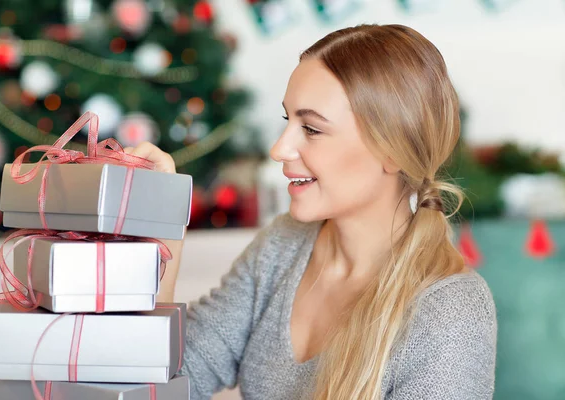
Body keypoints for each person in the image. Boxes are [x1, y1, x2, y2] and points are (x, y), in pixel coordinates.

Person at [126, 24, 497, 400]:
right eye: (289, 122)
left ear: (391, 151)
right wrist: (163, 228)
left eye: (313, 129)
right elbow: (172, 377)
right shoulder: (283, 245)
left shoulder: (450, 312)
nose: (280, 149)